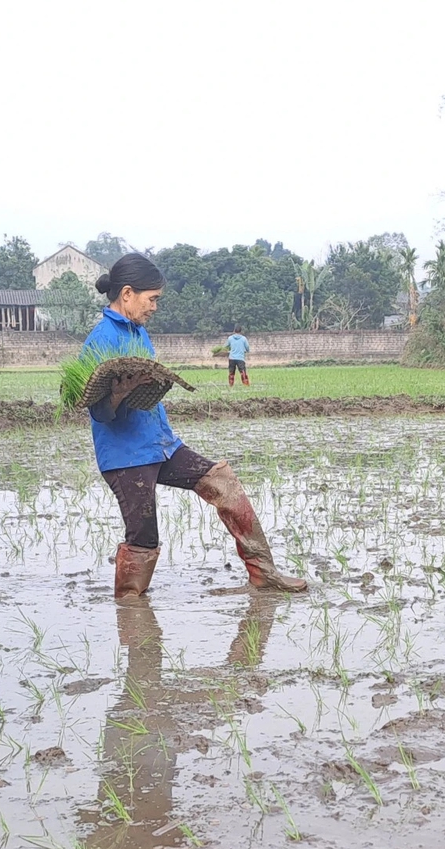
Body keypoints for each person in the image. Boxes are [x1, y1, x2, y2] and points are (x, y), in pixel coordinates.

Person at [84, 253, 307, 597]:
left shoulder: (138, 333)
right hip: (126, 456)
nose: (155, 307)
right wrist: (118, 393)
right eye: (152, 299)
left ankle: (264, 572)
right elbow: (99, 412)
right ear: (127, 294)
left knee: (223, 483)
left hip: (161, 444)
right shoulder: (101, 339)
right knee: (143, 537)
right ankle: (130, 610)